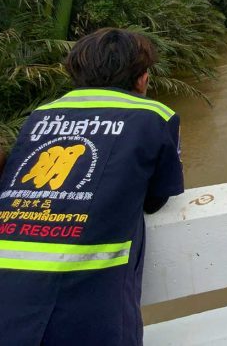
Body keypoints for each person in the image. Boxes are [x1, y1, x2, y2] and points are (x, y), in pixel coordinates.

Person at [0, 28, 184, 345]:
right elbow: (155, 200)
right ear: (142, 78)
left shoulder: (39, 116)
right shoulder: (155, 115)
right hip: (93, 304)